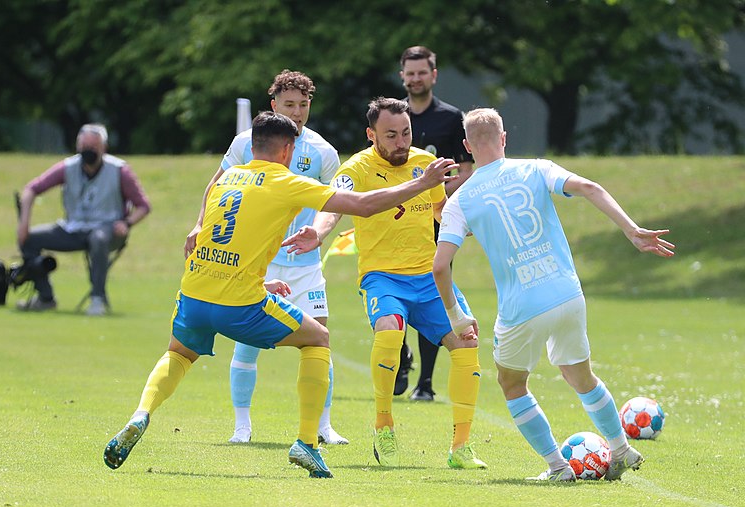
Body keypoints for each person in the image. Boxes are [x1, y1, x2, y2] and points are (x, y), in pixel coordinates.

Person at [103, 111, 458, 479]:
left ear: (252, 146)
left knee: (178, 354)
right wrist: (423, 183)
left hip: (195, 291)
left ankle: (140, 414)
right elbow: (363, 205)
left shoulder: (229, 178)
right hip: (239, 304)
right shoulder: (287, 182)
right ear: (287, 150)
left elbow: (229, 235)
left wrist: (260, 282)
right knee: (318, 338)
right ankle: (307, 442)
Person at [432, 107, 675, 481]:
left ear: (466, 146)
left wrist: (456, 316)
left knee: (512, 384)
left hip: (521, 307)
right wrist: (631, 229)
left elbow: (440, 265)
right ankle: (621, 448)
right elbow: (590, 188)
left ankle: (558, 467)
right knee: (581, 376)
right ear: (504, 138)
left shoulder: (461, 200)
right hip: (567, 293)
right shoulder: (537, 168)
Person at [283, 97, 486, 470]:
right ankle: (383, 424)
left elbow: (441, 210)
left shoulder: (426, 165)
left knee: (468, 342)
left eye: (406, 132)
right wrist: (320, 231)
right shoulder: (357, 168)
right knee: (390, 331)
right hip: (383, 277)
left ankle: (461, 447)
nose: (400, 141)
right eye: (390, 134)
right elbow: (339, 204)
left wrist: (467, 222)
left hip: (428, 278)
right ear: (370, 135)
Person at [185, 70, 348, 445]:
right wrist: (199, 225)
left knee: (320, 340)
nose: (297, 112)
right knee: (247, 344)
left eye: (303, 105)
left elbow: (334, 205)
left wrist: (318, 233)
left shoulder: (322, 151)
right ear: (273, 105)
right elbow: (216, 186)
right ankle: (242, 427)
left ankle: (324, 426)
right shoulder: (246, 143)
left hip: (305, 266)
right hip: (258, 261)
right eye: (289, 105)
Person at [394, 45, 475, 401]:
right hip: (394, 222)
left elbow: (467, 171)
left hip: (436, 223)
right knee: (387, 289)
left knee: (433, 295)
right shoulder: (392, 116)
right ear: (402, 77)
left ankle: (425, 383)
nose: (415, 79)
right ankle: (399, 356)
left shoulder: (451, 117)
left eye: (421, 73)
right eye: (409, 74)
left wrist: (433, 189)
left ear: (434, 75)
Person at [15, 124, 151, 316]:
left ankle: (98, 299)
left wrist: (127, 223)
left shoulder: (120, 170)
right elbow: (31, 189)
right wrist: (24, 223)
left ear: (104, 148)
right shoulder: (67, 167)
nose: (88, 151)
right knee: (29, 239)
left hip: (108, 230)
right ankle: (45, 297)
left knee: (98, 239)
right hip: (73, 229)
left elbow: (143, 206)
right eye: (84, 146)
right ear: (78, 146)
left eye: (93, 147)